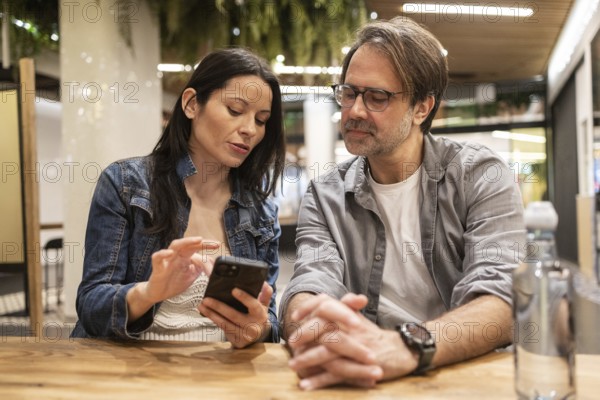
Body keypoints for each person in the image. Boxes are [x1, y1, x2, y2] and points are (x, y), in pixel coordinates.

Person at [279, 17, 526, 389]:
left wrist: (406, 345)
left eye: (377, 97)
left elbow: (501, 302)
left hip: (465, 375)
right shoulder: (326, 194)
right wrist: (308, 321)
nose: (355, 111)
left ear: (421, 108)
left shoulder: (479, 175)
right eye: (349, 93)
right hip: (367, 375)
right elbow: (312, 281)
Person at [71, 48, 286, 348]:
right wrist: (149, 292)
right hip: (128, 373)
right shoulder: (126, 184)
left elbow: (269, 321)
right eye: (235, 110)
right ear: (191, 104)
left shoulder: (261, 212)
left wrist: (258, 329)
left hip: (224, 377)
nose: (249, 129)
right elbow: (91, 307)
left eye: (261, 120)